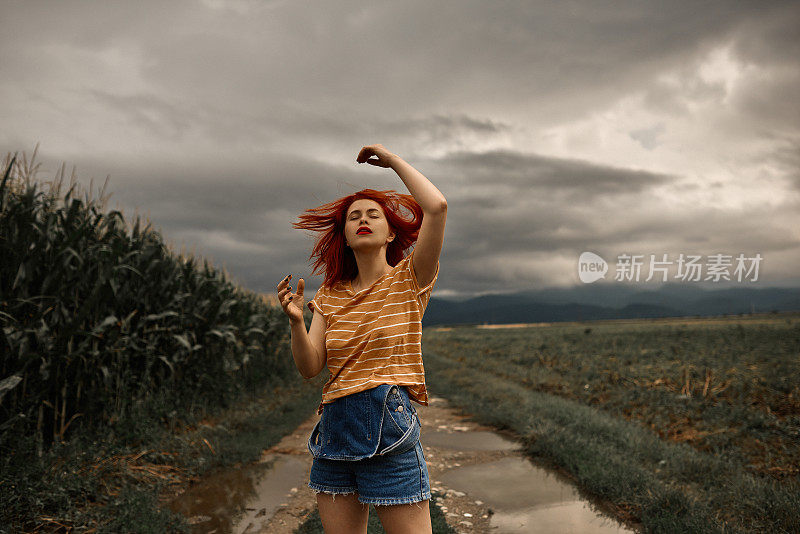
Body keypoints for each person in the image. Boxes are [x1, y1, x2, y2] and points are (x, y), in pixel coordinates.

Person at [276, 144, 446, 534]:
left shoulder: (409, 278)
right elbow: (310, 367)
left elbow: (437, 208)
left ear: (390, 234)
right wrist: (296, 322)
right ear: (346, 237)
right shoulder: (331, 294)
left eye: (374, 215)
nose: (364, 220)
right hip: (335, 428)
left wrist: (392, 162)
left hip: (389, 425)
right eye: (354, 217)